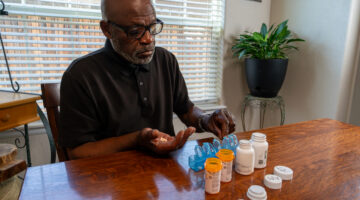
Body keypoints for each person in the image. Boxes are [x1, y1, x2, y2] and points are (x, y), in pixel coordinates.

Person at [59, 0, 235, 160]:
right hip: (110, 180)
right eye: (135, 32)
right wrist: (137, 139)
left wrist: (205, 119)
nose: (148, 39)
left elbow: (186, 109)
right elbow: (77, 152)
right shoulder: (81, 75)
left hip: (166, 172)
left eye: (152, 27)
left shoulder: (166, 60)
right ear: (107, 30)